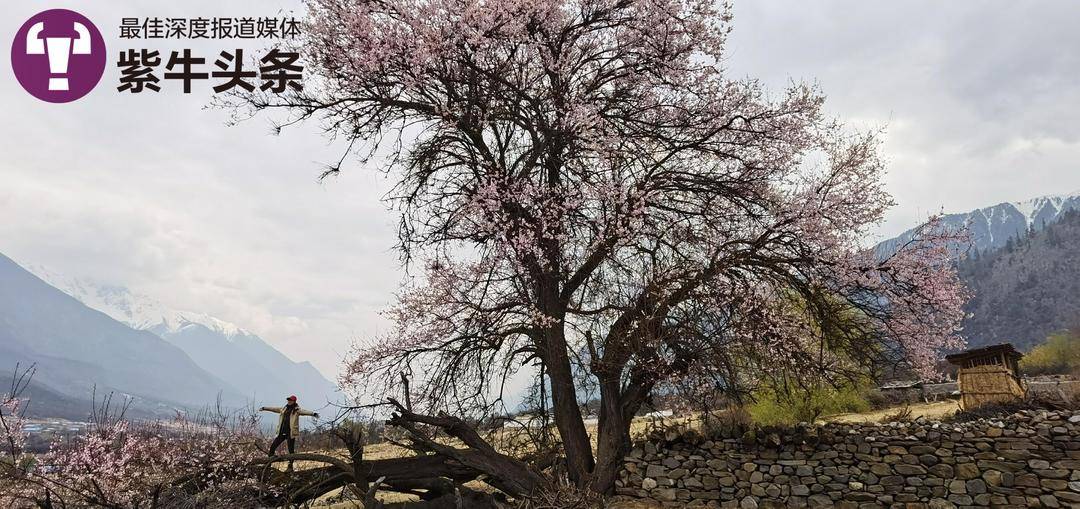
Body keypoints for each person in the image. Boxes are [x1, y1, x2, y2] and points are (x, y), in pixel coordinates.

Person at [259, 395, 319, 467]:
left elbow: (304, 412)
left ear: (294, 401)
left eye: (290, 400)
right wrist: (264, 408)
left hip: (290, 433)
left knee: (291, 451)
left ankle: (290, 466)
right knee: (273, 447)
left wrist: (313, 413)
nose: (289, 401)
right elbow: (274, 409)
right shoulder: (284, 409)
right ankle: (268, 464)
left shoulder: (297, 410)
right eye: (288, 400)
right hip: (281, 432)